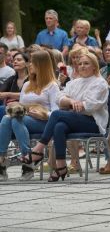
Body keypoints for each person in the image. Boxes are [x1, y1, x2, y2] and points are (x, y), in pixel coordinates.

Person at [30, 52, 108, 182]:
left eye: (86, 63)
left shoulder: (100, 83)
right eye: (80, 63)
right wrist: (72, 102)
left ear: (94, 66)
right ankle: (61, 165)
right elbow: (59, 99)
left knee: (56, 114)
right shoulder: (74, 82)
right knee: (59, 126)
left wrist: (71, 103)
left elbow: (89, 106)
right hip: (74, 118)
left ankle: (39, 148)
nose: (82, 66)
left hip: (93, 122)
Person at [0, 50, 60, 181]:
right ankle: (19, 160)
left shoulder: (52, 86)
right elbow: (21, 105)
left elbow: (56, 112)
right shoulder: (27, 84)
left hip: (43, 121)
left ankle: (13, 161)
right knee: (7, 119)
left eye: (32, 62)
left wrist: (43, 114)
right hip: (23, 119)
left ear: (41, 65)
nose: (29, 65)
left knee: (12, 120)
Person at [0, 52, 29, 118]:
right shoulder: (12, 79)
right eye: (14, 60)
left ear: (27, 64)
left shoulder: (32, 79)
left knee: (2, 109)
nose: (15, 62)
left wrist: (8, 94)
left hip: (27, 108)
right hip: (10, 107)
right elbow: (1, 92)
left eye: (19, 60)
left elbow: (27, 95)